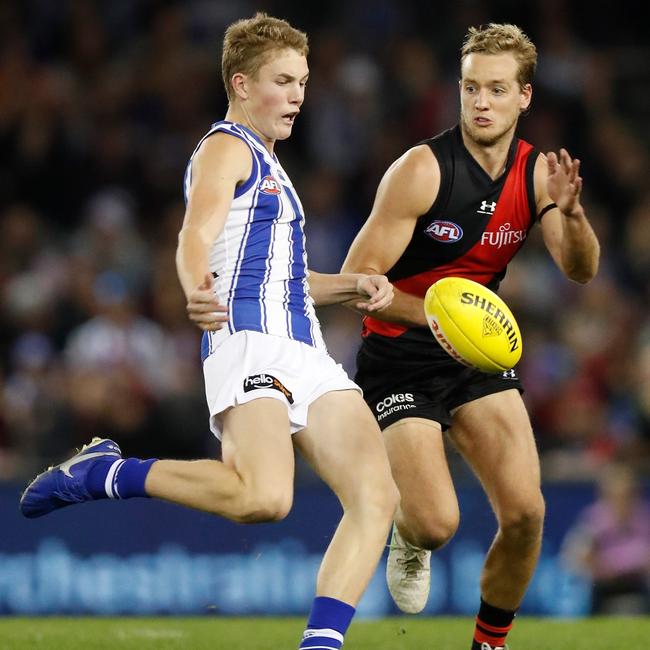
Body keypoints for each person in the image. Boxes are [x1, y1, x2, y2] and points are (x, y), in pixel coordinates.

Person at [20, 13, 399, 650]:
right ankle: (107, 473)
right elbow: (195, 230)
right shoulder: (226, 147)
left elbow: (284, 279)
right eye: (284, 80)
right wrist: (196, 283)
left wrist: (354, 288)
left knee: (376, 494)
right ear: (242, 83)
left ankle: (321, 644)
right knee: (264, 499)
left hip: (305, 349)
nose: (299, 95)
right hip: (247, 341)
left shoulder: (276, 169)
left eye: (303, 81)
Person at [341, 23, 600, 650]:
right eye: (470, 88)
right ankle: (409, 533)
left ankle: (489, 644)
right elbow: (356, 278)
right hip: (399, 354)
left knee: (527, 513)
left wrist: (572, 214)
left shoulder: (538, 173)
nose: (481, 102)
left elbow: (580, 269)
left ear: (525, 97)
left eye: (497, 89)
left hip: (474, 352)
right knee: (436, 524)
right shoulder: (421, 171)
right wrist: (436, 318)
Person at [561, 464, 650, 615]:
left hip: (638, 581)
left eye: (627, 495)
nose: (622, 500)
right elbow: (573, 557)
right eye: (616, 495)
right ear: (605, 495)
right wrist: (601, 567)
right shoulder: (593, 520)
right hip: (602, 584)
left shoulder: (644, 518)